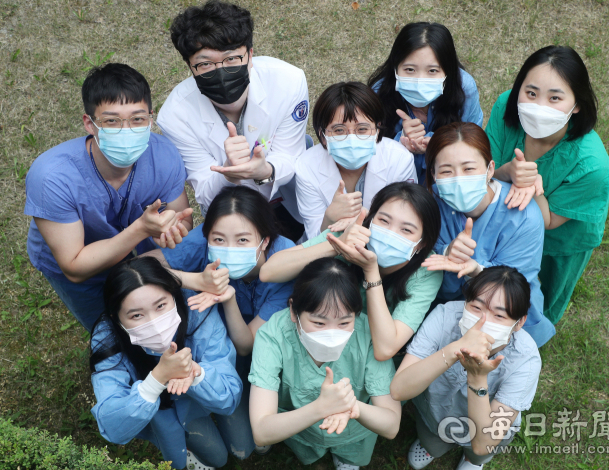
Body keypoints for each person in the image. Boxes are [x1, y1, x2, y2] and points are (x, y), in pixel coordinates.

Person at [24, 63, 193, 331]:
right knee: (107, 325)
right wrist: (141, 229)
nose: (126, 130)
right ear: (89, 124)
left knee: (160, 312)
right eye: (111, 121)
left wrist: (173, 229)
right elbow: (75, 267)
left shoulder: (164, 155)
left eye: (138, 119)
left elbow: (182, 218)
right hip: (77, 258)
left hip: (141, 246)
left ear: (150, 117)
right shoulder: (52, 177)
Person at [144, 185, 296, 458]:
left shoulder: (285, 262)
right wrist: (193, 280)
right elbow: (142, 268)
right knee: (237, 448)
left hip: (257, 346)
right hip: (209, 341)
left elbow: (246, 346)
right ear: (207, 237)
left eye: (242, 240)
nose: (228, 249)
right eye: (219, 239)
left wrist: (228, 299)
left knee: (246, 448)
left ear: (266, 241)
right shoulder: (202, 244)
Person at [158, 0, 308, 241]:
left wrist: (264, 170)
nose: (221, 71)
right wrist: (228, 173)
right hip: (227, 211)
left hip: (285, 197)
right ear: (190, 66)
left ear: (250, 54)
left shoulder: (289, 82)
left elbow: (291, 155)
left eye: (231, 59)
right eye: (205, 64)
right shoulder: (175, 116)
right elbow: (206, 193)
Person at [485, 45, 609, 325]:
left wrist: (536, 190)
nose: (539, 106)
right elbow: (487, 167)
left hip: (560, 237)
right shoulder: (504, 106)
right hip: (508, 214)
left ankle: (537, 329)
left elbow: (551, 220)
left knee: (543, 295)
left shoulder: (593, 166)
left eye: (555, 98)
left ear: (577, 104)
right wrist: (508, 171)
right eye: (531, 93)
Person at [90, 257, 242, 470]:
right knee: (218, 458)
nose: (153, 323)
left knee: (243, 447)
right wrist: (156, 380)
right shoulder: (107, 338)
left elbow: (229, 395)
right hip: (163, 409)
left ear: (173, 296)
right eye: (136, 315)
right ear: (117, 319)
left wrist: (196, 373)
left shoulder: (197, 308)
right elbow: (113, 427)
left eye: (160, 305)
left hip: (206, 389)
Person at [261, 182, 442, 362]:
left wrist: (371, 271)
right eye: (384, 221)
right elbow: (269, 272)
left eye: (406, 230)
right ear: (370, 218)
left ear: (422, 242)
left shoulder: (427, 271)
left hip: (367, 361)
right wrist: (337, 246)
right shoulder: (352, 232)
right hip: (316, 344)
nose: (390, 233)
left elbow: (385, 349)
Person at [249, 257, 401, 470]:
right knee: (304, 446)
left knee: (351, 453)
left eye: (344, 323)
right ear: (294, 311)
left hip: (354, 430)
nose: (331, 334)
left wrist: (350, 406)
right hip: (300, 427)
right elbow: (262, 431)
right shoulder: (272, 336)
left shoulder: (369, 333)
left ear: (357, 315)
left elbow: (391, 424)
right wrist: (320, 408)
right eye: (319, 323)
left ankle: (347, 459)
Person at [391, 266, 541, 470]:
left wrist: (477, 378)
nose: (482, 322)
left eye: (499, 316)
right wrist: (453, 350)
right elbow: (399, 389)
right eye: (476, 308)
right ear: (465, 302)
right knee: (432, 439)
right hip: (434, 412)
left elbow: (484, 444)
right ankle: (432, 448)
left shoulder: (526, 360)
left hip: (484, 430)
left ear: (519, 322)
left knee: (477, 453)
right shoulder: (444, 316)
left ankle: (471, 462)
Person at [422, 122, 555, 347]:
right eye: (446, 171)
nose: (458, 179)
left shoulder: (525, 216)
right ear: (433, 175)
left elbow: (515, 285)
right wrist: (447, 252)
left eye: (469, 168)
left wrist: (476, 270)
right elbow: (424, 262)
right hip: (447, 304)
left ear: (490, 169)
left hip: (504, 311)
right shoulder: (432, 204)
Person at [295, 81, 417, 239]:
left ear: (377, 129)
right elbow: (314, 237)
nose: (352, 139)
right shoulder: (306, 166)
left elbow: (405, 223)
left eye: (362, 129)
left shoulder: (399, 159)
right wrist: (329, 217)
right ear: (323, 136)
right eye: (339, 130)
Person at [368, 22, 483, 185]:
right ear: (395, 67)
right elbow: (369, 154)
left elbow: (474, 143)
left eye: (432, 71)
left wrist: (438, 146)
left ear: (447, 71)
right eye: (409, 69)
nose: (419, 81)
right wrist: (399, 143)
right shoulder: (378, 94)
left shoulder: (464, 89)